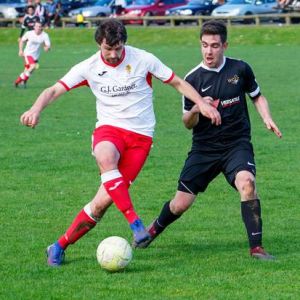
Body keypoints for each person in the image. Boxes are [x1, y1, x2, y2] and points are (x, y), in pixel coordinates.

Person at [20, 19, 221, 267]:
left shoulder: (143, 59)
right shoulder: (89, 67)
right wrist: (35, 108)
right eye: (108, 49)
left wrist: (200, 102)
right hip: (109, 129)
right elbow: (53, 90)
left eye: (118, 48)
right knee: (105, 157)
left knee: (101, 204)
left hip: (140, 138)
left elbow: (177, 82)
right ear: (99, 44)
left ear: (124, 42)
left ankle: (59, 245)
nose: (114, 55)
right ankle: (135, 222)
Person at [133, 20, 282, 261]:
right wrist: (196, 110)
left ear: (225, 45)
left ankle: (257, 248)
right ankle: (153, 230)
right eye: (204, 45)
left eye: (214, 46)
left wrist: (267, 117)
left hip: (236, 145)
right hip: (205, 149)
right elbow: (186, 123)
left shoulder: (240, 69)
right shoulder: (193, 79)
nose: (208, 51)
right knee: (180, 204)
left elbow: (257, 96)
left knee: (248, 184)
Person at [15, 21, 51, 88]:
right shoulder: (29, 33)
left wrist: (47, 48)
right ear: (34, 27)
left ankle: (17, 82)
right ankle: (22, 82)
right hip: (27, 53)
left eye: (39, 26)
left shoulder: (45, 35)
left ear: (41, 28)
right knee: (33, 66)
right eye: (37, 26)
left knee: (28, 70)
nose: (38, 28)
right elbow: (22, 41)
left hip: (36, 56)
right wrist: (20, 50)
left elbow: (48, 45)